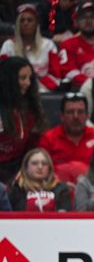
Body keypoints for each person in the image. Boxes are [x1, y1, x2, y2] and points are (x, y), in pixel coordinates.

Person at [38, 91, 94, 184]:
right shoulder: (48, 139)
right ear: (61, 116)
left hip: (93, 191)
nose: (75, 116)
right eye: (70, 112)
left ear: (87, 115)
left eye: (80, 112)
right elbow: (40, 171)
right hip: (58, 191)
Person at [0, 56, 47, 185]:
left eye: (30, 78)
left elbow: (33, 144)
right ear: (8, 80)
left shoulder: (30, 106)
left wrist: (26, 169)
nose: (28, 83)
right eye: (22, 78)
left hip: (19, 167)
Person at [0, 3, 63, 92]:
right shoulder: (8, 45)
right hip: (15, 92)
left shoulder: (48, 45)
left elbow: (56, 75)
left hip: (43, 91)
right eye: (22, 20)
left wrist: (34, 85)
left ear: (36, 24)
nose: (25, 23)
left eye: (29, 20)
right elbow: (3, 74)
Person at [58, 1, 94, 90]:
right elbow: (69, 72)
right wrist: (93, 84)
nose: (88, 21)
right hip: (82, 92)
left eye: (92, 17)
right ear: (76, 22)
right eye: (83, 17)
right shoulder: (67, 45)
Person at [7, 147, 71, 211]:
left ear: (50, 168)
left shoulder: (61, 189)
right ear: (26, 167)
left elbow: (65, 216)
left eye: (44, 164)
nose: (40, 167)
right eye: (34, 163)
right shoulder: (16, 189)